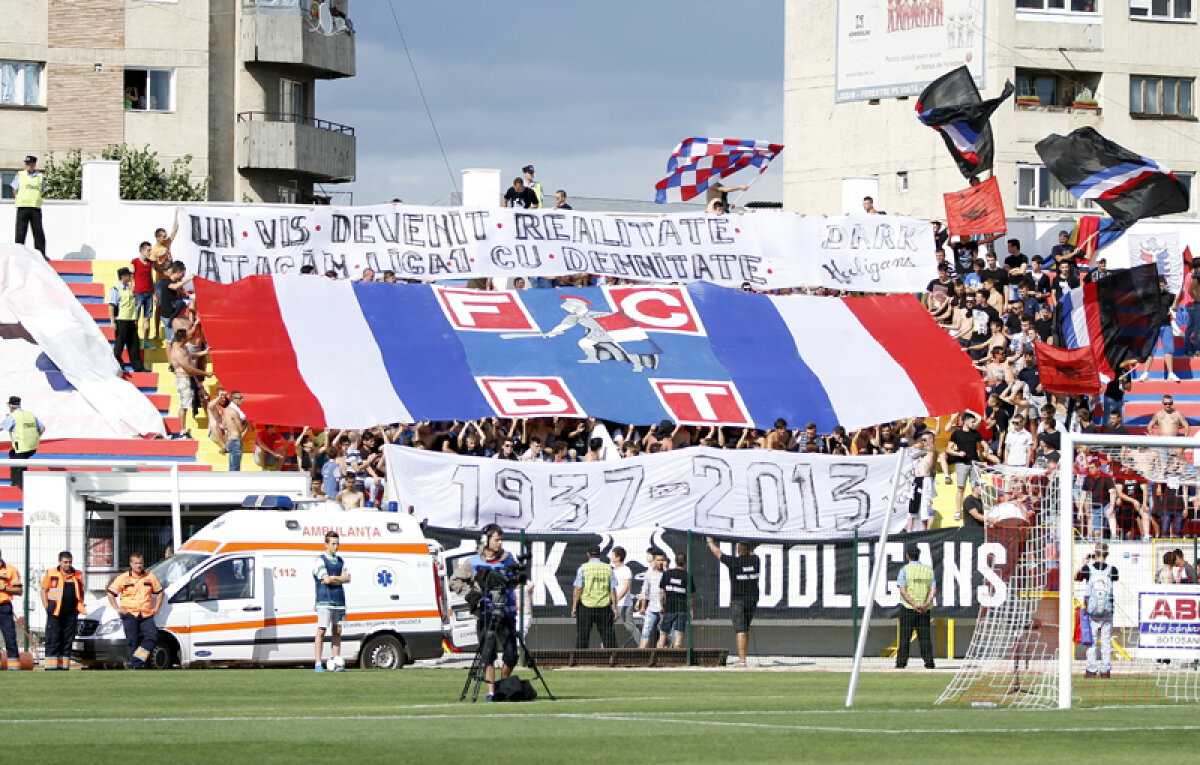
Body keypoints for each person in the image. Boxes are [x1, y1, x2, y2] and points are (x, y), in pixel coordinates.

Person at [448, 525, 521, 701]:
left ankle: (504, 685)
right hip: (486, 613)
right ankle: (491, 692)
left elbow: (517, 578)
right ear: (486, 540)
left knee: (512, 654)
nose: (500, 543)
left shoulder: (508, 559)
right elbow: (454, 580)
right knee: (488, 653)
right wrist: (472, 594)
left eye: (501, 539)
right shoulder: (473, 562)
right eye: (496, 539)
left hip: (506, 613)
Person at [706, 537, 761, 667]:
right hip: (752, 599)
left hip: (738, 600)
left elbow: (718, 553)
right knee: (745, 629)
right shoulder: (755, 560)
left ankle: (742, 661)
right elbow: (752, 553)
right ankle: (743, 657)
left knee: (740, 630)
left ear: (738, 551)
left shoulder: (734, 562)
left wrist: (710, 542)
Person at [106, 552, 164, 669]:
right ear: (131, 564)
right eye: (136, 563)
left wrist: (156, 608)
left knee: (152, 637)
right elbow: (110, 593)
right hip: (130, 613)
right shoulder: (123, 578)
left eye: (141, 563)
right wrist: (117, 608)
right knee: (132, 640)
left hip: (146, 614)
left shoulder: (150, 577)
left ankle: (134, 661)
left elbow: (160, 592)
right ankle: (136, 666)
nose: (139, 566)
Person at [1077, 543, 1117, 678]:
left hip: (1092, 610)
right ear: (1107, 554)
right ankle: (1105, 670)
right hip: (1107, 610)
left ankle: (1091, 669)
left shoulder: (1088, 569)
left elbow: (1076, 577)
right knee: (1106, 641)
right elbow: (1115, 579)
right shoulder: (1112, 570)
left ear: (1095, 553)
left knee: (1092, 641)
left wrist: (1084, 563)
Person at [41, 551, 85, 670]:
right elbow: (44, 590)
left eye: (70, 562)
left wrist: (80, 605)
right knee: (53, 639)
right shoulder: (51, 573)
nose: (68, 565)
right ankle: (51, 667)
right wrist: (47, 606)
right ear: (60, 562)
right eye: (65, 562)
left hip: (71, 613)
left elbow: (81, 591)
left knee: (67, 640)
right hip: (55, 612)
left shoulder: (77, 574)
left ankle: (64, 667)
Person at [313, 531, 350, 672]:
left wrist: (334, 578)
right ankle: (318, 663)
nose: (336, 546)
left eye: (337, 543)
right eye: (333, 544)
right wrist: (338, 579)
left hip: (339, 600)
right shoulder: (320, 560)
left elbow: (347, 578)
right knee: (322, 630)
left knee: (337, 631)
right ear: (326, 544)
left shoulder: (340, 561)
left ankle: (336, 661)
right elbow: (325, 579)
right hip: (324, 600)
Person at [572, 545, 618, 649]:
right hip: (604, 605)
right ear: (599, 554)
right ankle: (612, 656)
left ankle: (581, 656)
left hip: (586, 605)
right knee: (608, 635)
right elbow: (612, 590)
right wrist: (614, 608)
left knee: (583, 635)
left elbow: (578, 589)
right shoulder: (608, 568)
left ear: (588, 554)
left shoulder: (583, 568)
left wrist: (574, 607)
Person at [168, 328, 207, 437]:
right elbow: (188, 368)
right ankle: (182, 431)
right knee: (184, 405)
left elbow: (190, 355)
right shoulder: (177, 351)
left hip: (190, 379)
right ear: (183, 338)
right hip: (184, 380)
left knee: (204, 397)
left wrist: (204, 352)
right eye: (187, 336)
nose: (189, 337)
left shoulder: (183, 347)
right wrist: (205, 373)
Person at [2, 395, 44, 490]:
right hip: (32, 446)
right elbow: (42, 428)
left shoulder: (13, 416)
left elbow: (2, 427)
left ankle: (18, 485)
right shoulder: (30, 414)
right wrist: (35, 437)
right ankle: (17, 482)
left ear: (10, 406)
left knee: (18, 461)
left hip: (21, 447)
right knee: (13, 454)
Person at [109, 267, 146, 373]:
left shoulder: (128, 288)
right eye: (129, 275)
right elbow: (111, 305)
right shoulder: (116, 289)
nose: (131, 277)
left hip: (130, 319)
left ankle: (138, 366)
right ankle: (118, 365)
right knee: (120, 344)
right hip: (121, 319)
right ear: (123, 276)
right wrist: (112, 320)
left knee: (134, 343)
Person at [12, 155, 46, 257]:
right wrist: (21, 197)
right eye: (26, 163)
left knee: (38, 232)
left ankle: (41, 254)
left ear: (34, 164)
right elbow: (15, 189)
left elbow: (42, 190)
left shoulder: (40, 177)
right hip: (22, 207)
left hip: (35, 207)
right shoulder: (20, 175)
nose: (27, 165)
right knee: (20, 232)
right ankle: (18, 254)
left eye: (29, 164)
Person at [658, 553, 694, 649]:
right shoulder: (687, 576)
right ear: (685, 562)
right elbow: (690, 596)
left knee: (663, 635)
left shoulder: (667, 574)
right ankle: (676, 656)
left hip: (669, 608)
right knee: (678, 637)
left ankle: (658, 656)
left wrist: (661, 605)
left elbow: (661, 593)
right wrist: (691, 610)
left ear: (675, 561)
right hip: (682, 609)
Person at [908, 430, 938, 532]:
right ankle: (910, 528)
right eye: (922, 440)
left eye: (924, 440)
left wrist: (913, 447)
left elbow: (914, 455)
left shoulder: (931, 449)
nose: (923, 442)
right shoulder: (926, 452)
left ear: (931, 439)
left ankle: (925, 530)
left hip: (925, 479)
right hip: (919, 479)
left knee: (925, 504)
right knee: (914, 502)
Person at [130, 242, 161, 343]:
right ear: (142, 250)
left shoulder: (150, 263)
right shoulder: (134, 262)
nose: (150, 252)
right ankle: (134, 339)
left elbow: (151, 278)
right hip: (138, 293)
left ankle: (146, 340)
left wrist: (155, 294)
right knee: (136, 318)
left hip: (149, 294)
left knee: (147, 318)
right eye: (148, 250)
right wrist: (132, 294)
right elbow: (130, 279)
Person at [636, 548, 666, 649]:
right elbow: (645, 590)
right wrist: (643, 606)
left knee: (666, 633)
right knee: (645, 632)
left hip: (664, 609)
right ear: (654, 561)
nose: (660, 562)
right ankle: (642, 653)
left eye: (662, 560)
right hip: (652, 607)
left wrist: (666, 570)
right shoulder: (649, 573)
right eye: (658, 560)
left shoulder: (666, 574)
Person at [609, 547, 638, 647]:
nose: (611, 557)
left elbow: (626, 587)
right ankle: (608, 647)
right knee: (608, 626)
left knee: (630, 626)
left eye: (613, 555)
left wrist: (617, 600)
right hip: (613, 604)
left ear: (618, 557)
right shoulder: (613, 570)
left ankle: (642, 645)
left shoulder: (626, 570)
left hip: (624, 604)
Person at [0, 547, 22, 670]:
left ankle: (14, 668)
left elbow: (19, 590)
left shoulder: (10, 570)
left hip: (4, 607)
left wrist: (4, 588)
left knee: (10, 638)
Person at [222, 391, 247, 470]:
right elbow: (241, 429)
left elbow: (223, 425)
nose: (242, 400)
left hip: (229, 439)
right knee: (235, 467)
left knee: (232, 466)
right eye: (240, 398)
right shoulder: (234, 412)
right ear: (233, 399)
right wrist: (246, 425)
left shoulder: (225, 410)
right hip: (236, 440)